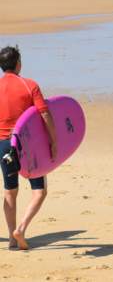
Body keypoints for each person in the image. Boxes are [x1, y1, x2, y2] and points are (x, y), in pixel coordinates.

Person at [0, 46, 57, 251]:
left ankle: (11, 237)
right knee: (39, 190)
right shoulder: (29, 85)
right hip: (27, 145)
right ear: (18, 64)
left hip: (4, 144)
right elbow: (44, 113)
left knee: (10, 191)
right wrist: (53, 140)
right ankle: (21, 228)